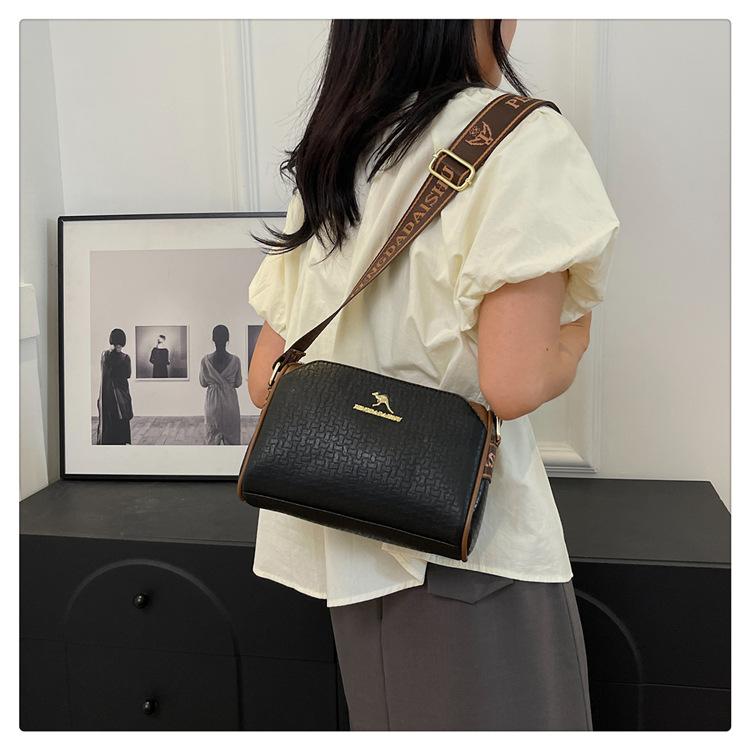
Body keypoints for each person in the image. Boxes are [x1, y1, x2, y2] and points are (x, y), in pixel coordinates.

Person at [246, 20, 620, 730]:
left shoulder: (339, 149)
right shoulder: (518, 140)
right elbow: (514, 382)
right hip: (471, 549)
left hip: (345, 552)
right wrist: (573, 341)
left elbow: (266, 379)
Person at [199, 325, 242, 445]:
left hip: (212, 404)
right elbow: (238, 383)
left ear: (213, 339)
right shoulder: (236, 360)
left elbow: (203, 383)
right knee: (233, 441)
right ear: (228, 339)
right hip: (230, 404)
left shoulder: (205, 361)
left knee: (211, 440)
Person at [96, 327, 133, 445]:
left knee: (108, 422)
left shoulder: (104, 355)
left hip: (107, 395)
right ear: (123, 341)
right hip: (120, 395)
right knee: (121, 420)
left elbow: (105, 372)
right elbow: (128, 375)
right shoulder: (125, 358)